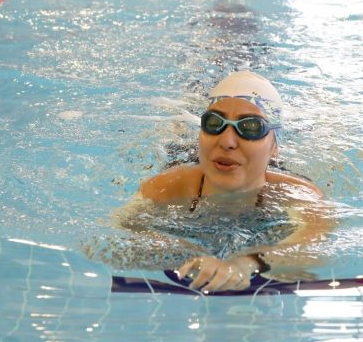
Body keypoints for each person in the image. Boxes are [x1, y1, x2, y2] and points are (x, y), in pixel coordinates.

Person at [116, 71, 335, 292]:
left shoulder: (299, 195)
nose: (227, 141)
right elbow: (112, 238)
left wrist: (247, 263)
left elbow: (315, 248)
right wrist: (185, 253)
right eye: (214, 123)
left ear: (275, 146)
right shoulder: (166, 187)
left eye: (251, 127)